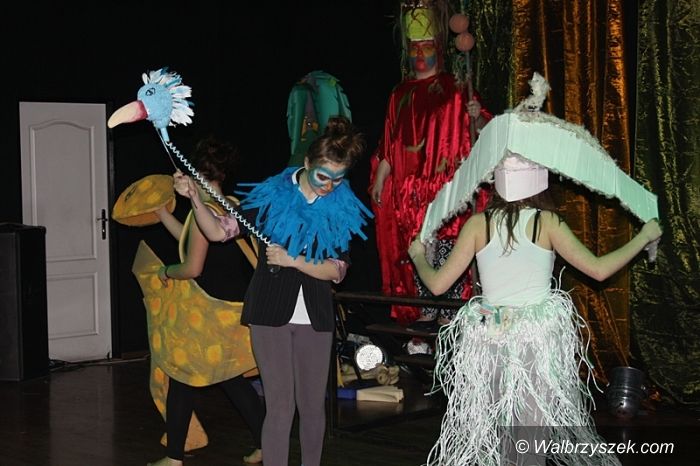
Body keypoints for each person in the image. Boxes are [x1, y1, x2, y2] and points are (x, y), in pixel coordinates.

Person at [409, 150, 662, 464]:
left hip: (489, 342)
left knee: (498, 428)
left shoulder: (477, 224)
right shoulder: (547, 222)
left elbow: (437, 285)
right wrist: (643, 237)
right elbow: (598, 270)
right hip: (534, 343)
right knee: (530, 432)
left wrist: (418, 255)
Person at [174, 116, 372, 466]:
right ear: (307, 163)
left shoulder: (340, 206)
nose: (329, 186)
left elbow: (337, 271)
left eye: (338, 179)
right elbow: (219, 232)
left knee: (312, 406)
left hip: (316, 316)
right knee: (280, 406)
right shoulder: (271, 196)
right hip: (269, 312)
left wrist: (293, 260)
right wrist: (195, 199)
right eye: (323, 176)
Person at [369, 1, 492, 327]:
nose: (420, 54)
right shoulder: (400, 94)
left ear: (438, 47)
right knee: (420, 252)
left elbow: (483, 131)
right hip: (412, 195)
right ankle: (424, 319)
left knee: (449, 248)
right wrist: (381, 176)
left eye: (426, 46)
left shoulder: (455, 88)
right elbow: (390, 142)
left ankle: (449, 320)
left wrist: (477, 118)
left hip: (446, 190)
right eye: (414, 48)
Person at [147, 136, 264, 466]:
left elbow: (192, 266)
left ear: (194, 171)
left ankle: (173, 457)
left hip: (211, 312)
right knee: (230, 379)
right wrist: (163, 215)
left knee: (182, 376)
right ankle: (266, 443)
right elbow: (192, 238)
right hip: (233, 308)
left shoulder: (206, 209)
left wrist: (167, 271)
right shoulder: (230, 204)